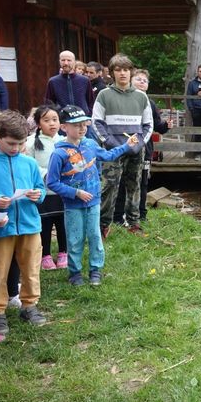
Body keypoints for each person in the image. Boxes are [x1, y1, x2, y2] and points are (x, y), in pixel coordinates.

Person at [47, 105, 137, 286]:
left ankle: (95, 270)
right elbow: (52, 182)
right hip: (73, 205)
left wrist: (126, 146)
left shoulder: (90, 144)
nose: (82, 128)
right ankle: (75, 272)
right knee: (75, 239)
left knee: (95, 236)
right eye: (76, 125)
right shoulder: (59, 154)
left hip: (94, 202)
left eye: (84, 124)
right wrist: (75, 193)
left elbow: (108, 155)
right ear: (64, 127)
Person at [0, 110, 47, 338]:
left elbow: (41, 188)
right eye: (11, 143)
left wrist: (38, 195)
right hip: (1, 227)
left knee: (31, 268)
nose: (16, 148)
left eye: (21, 143)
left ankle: (29, 306)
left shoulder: (29, 163)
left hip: (29, 224)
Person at [92, 53, 152, 238]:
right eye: (118, 70)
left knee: (134, 185)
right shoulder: (104, 94)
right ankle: (103, 225)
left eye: (126, 69)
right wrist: (110, 142)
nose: (123, 73)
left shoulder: (141, 96)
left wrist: (139, 143)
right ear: (112, 73)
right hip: (112, 150)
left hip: (136, 149)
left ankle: (134, 223)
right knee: (109, 186)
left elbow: (148, 124)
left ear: (131, 72)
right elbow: (96, 122)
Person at [114, 69, 170, 223]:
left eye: (145, 81)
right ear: (131, 81)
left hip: (145, 148)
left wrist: (166, 125)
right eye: (138, 79)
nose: (142, 82)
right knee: (121, 181)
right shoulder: (121, 99)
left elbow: (158, 126)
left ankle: (141, 214)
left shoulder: (150, 103)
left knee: (142, 181)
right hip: (123, 146)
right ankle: (118, 216)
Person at [25, 105, 67, 270]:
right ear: (38, 123)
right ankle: (46, 255)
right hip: (44, 192)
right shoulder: (31, 142)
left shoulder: (64, 141)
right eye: (46, 120)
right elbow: (30, 164)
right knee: (46, 224)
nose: (52, 123)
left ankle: (64, 252)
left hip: (62, 191)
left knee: (62, 223)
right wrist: (47, 174)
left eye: (55, 119)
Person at [44, 50, 95, 116]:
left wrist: (89, 116)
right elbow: (49, 104)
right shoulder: (53, 81)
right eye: (63, 60)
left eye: (69, 60)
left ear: (74, 62)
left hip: (83, 119)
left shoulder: (84, 80)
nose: (66, 63)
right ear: (59, 61)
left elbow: (91, 101)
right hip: (63, 119)